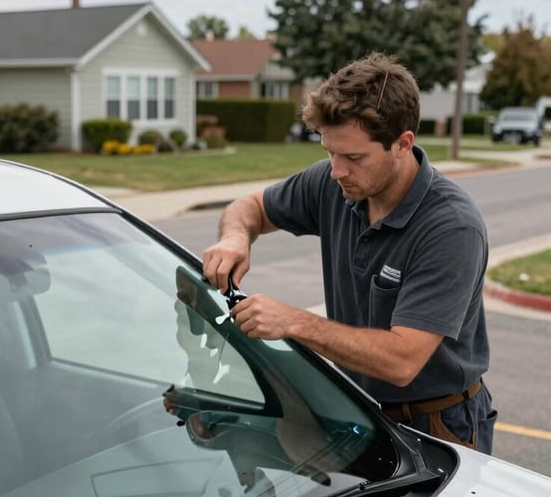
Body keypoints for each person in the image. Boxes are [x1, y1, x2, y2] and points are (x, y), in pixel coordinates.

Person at [202, 52, 497, 453]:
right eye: (329, 152)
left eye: (354, 157)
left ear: (402, 144)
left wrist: (293, 322)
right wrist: (236, 237)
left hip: (438, 423)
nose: (337, 170)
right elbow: (249, 207)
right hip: (358, 410)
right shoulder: (333, 183)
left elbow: (402, 361)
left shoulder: (450, 227)